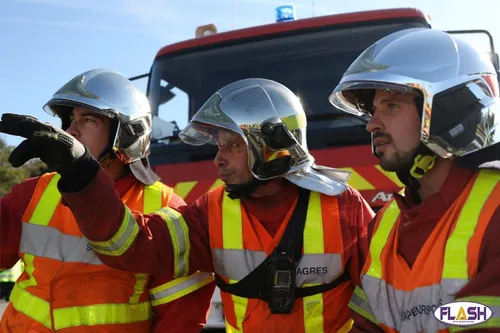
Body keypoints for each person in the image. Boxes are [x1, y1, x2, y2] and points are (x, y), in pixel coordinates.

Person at [1, 78, 376, 333]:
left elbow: (381, 308)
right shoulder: (210, 209)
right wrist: (82, 173)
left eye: (231, 145)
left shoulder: (344, 208)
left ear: (273, 145)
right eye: (218, 146)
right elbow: (132, 245)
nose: (217, 160)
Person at [0, 69, 215, 332]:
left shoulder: (167, 208)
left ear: (127, 133)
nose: (71, 131)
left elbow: (180, 319)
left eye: (88, 120)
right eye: (70, 120)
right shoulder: (34, 192)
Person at [328, 28, 500, 332]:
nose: (371, 124)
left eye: (391, 106)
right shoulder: (385, 225)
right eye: (372, 110)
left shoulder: (495, 214)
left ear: (450, 111)